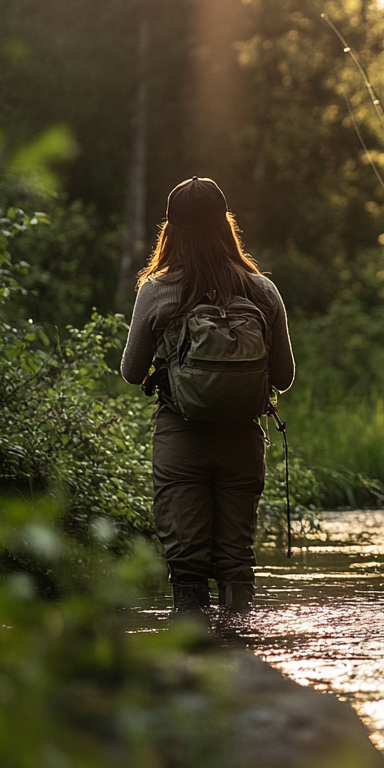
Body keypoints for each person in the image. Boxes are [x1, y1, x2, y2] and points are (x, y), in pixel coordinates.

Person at [121, 177, 294, 612]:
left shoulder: (157, 288)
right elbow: (285, 376)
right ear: (225, 226)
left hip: (182, 438)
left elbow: (130, 372)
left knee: (186, 561)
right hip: (242, 440)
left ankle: (194, 664)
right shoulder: (262, 290)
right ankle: (244, 653)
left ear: (170, 231)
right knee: (237, 559)